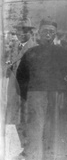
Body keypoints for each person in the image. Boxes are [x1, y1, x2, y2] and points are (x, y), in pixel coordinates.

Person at [16, 18, 67, 160]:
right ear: (39, 33)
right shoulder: (30, 53)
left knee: (57, 131)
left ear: (55, 35)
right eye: (45, 31)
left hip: (58, 96)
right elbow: (21, 77)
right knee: (36, 131)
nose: (48, 34)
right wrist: (27, 96)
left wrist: (65, 88)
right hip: (36, 96)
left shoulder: (63, 52)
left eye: (51, 32)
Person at [5, 19, 37, 158]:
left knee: (27, 120)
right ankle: (25, 147)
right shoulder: (16, 47)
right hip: (14, 90)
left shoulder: (33, 48)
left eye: (25, 31)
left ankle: (30, 150)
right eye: (19, 31)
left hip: (26, 91)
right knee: (18, 120)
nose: (22, 34)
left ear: (31, 32)